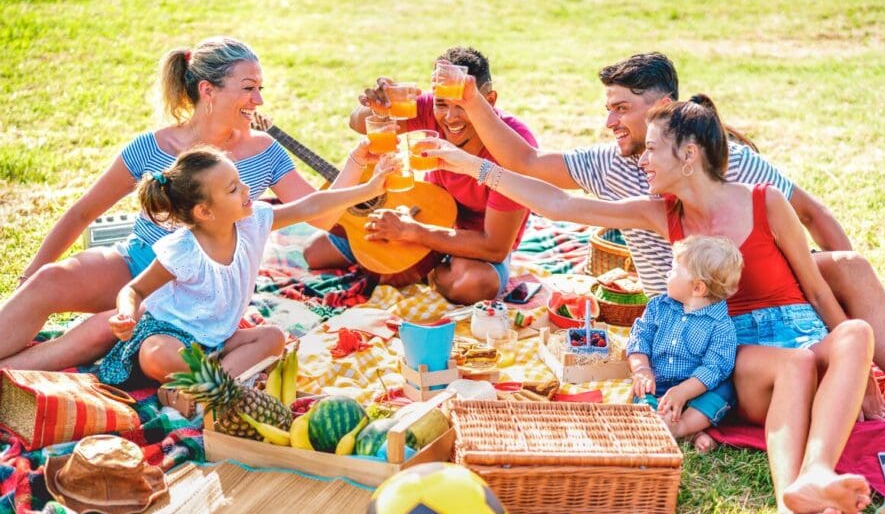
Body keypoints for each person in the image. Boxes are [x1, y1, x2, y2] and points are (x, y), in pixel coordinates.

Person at [420, 96, 880, 514]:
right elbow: (560, 205)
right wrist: (472, 166)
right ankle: (790, 511)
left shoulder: (766, 201)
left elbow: (818, 291)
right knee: (797, 363)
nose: (642, 160)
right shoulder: (660, 213)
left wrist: (865, 379)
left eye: (652, 149)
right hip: (754, 362)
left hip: (806, 336)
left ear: (688, 155)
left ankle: (815, 476)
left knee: (855, 333)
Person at [447, 51, 885, 440]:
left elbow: (809, 214)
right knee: (809, 333)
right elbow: (542, 182)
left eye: (621, 109)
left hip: (766, 287)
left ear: (669, 118)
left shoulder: (731, 165)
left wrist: (854, 323)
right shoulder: (624, 175)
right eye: (608, 109)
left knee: (850, 268)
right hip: (697, 302)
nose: (609, 122)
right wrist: (470, 141)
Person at [0, 37, 339, 372]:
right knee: (49, 279)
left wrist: (361, 164)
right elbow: (83, 212)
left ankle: (7, 378)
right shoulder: (152, 146)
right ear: (208, 90)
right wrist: (28, 277)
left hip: (196, 294)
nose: (259, 100)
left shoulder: (266, 152)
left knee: (103, 329)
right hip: (139, 262)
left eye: (259, 88)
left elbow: (323, 216)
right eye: (249, 88)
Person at [99, 143, 395, 384]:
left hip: (218, 342)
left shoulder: (254, 222)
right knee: (155, 354)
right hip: (171, 337)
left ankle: (205, 389)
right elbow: (134, 291)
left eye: (240, 181)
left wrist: (369, 190)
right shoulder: (183, 251)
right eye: (232, 189)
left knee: (273, 338)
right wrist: (126, 314)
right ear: (204, 211)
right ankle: (224, 383)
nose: (246, 190)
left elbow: (310, 205)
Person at [302, 46, 536, 304]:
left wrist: (412, 232)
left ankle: (424, 271)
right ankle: (409, 263)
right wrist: (378, 108)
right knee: (315, 252)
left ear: (489, 101)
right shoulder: (427, 108)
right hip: (422, 211)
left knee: (474, 285)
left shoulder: (513, 147)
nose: (450, 117)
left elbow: (495, 246)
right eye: (442, 104)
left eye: (462, 105)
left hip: (471, 244)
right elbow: (358, 123)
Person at [627, 236, 743, 453]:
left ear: (698, 288)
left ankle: (681, 427)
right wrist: (642, 369)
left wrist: (683, 392)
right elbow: (639, 337)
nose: (667, 274)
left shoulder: (721, 326)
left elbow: (714, 368)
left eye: (673, 270)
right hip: (658, 381)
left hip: (697, 388)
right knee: (642, 391)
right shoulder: (658, 306)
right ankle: (663, 420)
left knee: (725, 391)